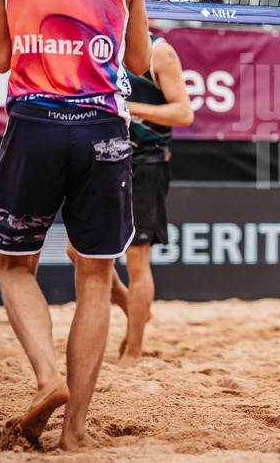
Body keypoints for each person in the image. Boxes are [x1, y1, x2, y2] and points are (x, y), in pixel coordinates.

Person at [0, 0, 152, 451]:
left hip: (35, 123)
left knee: (14, 266)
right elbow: (140, 61)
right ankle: (75, 430)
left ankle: (47, 377)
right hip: (101, 129)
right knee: (96, 280)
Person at [66, 35, 194, 367]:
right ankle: (132, 307)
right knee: (75, 251)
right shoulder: (92, 42)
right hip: (102, 156)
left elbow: (184, 113)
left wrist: (126, 108)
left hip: (145, 161)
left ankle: (133, 350)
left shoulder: (159, 52)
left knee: (136, 258)